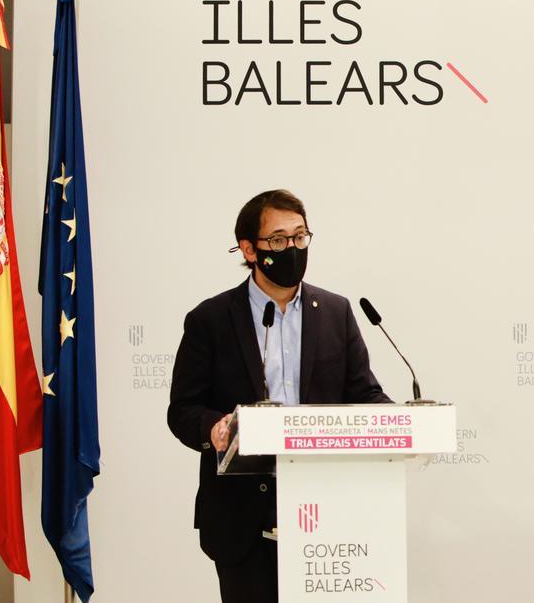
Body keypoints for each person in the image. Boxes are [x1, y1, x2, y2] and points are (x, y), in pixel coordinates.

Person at [167, 189, 393, 603]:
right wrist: (215, 430)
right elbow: (182, 410)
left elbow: (365, 393)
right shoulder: (210, 320)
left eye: (300, 237)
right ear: (250, 249)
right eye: (278, 240)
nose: (292, 248)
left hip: (329, 514)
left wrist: (398, 423)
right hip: (243, 520)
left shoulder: (337, 312)